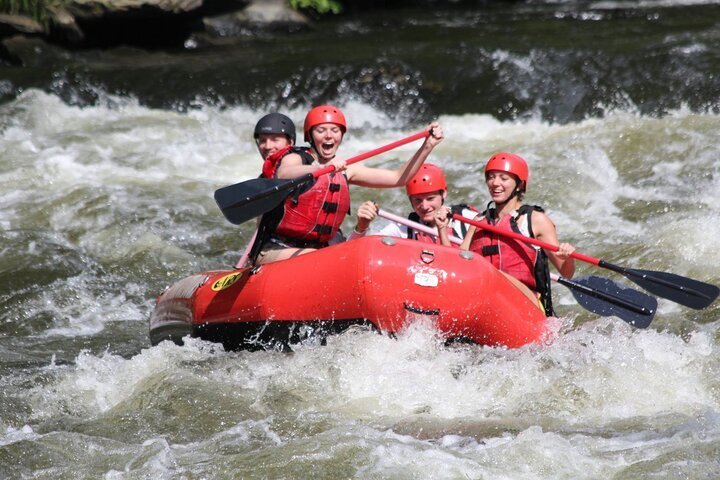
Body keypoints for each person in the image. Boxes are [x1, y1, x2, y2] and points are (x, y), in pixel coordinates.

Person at [249, 105, 444, 265]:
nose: (328, 136)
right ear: (310, 136)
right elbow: (285, 173)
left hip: (320, 249)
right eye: (321, 130)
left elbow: (397, 178)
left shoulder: (346, 169)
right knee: (324, 259)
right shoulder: (295, 158)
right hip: (278, 248)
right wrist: (321, 169)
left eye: (334, 130)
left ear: (341, 136)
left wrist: (427, 146)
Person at [459, 152, 576, 316]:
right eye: (491, 177)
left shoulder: (536, 220)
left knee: (494, 280)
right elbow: (459, 263)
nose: (495, 183)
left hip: (525, 305)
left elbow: (567, 273)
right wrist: (442, 228)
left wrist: (567, 257)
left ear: (519, 185)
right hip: (485, 301)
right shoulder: (477, 222)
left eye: (503, 178)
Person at [348, 163, 477, 245]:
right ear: (410, 200)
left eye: (430, 199)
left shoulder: (467, 219)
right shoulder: (404, 228)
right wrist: (362, 226)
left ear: (444, 194)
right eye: (418, 200)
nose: (425, 206)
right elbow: (353, 250)